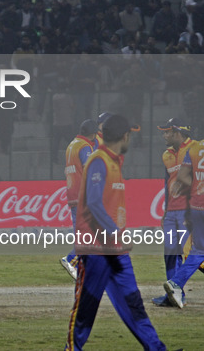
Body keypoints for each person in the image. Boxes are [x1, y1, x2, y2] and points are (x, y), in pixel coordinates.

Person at [66, 114, 166, 350]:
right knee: (86, 308)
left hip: (115, 250)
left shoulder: (111, 161)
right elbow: (94, 202)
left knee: (133, 304)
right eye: (130, 134)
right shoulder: (99, 160)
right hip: (95, 250)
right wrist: (113, 232)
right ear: (124, 136)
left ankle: (157, 348)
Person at [152, 118, 196, 307]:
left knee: (190, 254)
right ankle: (175, 295)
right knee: (170, 253)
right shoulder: (166, 155)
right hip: (172, 212)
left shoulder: (196, 150)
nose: (164, 135)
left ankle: (175, 286)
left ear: (178, 132)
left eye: (168, 132)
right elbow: (166, 182)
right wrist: (165, 211)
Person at [164, 138, 204, 308]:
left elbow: (182, 176)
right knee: (198, 251)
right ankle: (176, 283)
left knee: (198, 249)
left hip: (196, 206)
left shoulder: (195, 148)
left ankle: (176, 283)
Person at [60, 119, 98, 280]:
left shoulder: (72, 144)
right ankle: (71, 259)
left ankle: (83, 267)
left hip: (73, 194)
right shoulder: (84, 147)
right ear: (93, 133)